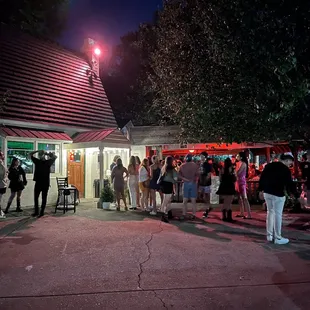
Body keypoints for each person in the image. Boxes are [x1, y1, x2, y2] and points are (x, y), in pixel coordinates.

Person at [258, 153, 297, 245]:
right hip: (278, 193)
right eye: (290, 163)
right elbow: (289, 184)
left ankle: (269, 235)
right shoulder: (285, 170)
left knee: (270, 212)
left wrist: (260, 190)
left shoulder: (269, 166)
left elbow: (262, 178)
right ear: (287, 160)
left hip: (267, 192)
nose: (290, 165)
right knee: (278, 214)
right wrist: (295, 195)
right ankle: (278, 237)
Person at [29, 150, 57, 217]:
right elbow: (55, 157)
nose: (40, 156)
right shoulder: (43, 162)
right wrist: (43, 153)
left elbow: (30, 154)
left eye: (40, 155)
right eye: (40, 155)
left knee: (42, 198)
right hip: (41, 183)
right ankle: (38, 212)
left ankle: (40, 212)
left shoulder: (44, 162)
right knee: (38, 198)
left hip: (42, 183)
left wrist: (44, 153)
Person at [179, 154, 199, 219]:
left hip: (186, 183)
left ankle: (184, 214)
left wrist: (184, 179)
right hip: (193, 183)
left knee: (184, 201)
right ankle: (193, 214)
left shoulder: (182, 166)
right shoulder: (195, 165)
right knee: (193, 201)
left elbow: (179, 175)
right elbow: (197, 175)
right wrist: (195, 180)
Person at [158, 156, 178, 223]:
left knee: (167, 199)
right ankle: (163, 214)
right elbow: (175, 178)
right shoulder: (172, 169)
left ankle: (168, 213)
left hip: (163, 184)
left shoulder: (163, 168)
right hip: (169, 185)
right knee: (166, 200)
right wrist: (174, 180)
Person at [216, 158, 236, 222]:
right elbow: (235, 178)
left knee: (225, 201)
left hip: (224, 186)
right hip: (230, 185)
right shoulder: (232, 169)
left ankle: (224, 216)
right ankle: (229, 217)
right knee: (229, 201)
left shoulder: (222, 169)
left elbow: (220, 179)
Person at [235, 151, 252, 219]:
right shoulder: (238, 163)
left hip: (242, 182)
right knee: (240, 198)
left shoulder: (243, 164)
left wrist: (234, 171)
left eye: (237, 156)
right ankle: (241, 212)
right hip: (238, 182)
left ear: (241, 157)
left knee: (244, 198)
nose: (236, 157)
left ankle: (249, 214)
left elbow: (238, 172)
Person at [199, 152, 213, 218]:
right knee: (202, 196)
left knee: (206, 196)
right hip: (201, 182)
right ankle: (208, 207)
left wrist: (206, 180)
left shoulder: (207, 165)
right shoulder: (200, 164)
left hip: (206, 183)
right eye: (200, 156)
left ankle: (207, 209)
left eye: (202, 156)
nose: (201, 158)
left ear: (205, 157)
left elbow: (209, 174)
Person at [0, 151, 8, 218]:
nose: (3, 156)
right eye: (2, 155)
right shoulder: (1, 164)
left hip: (2, 184)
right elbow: (2, 175)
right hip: (1, 184)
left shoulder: (2, 164)